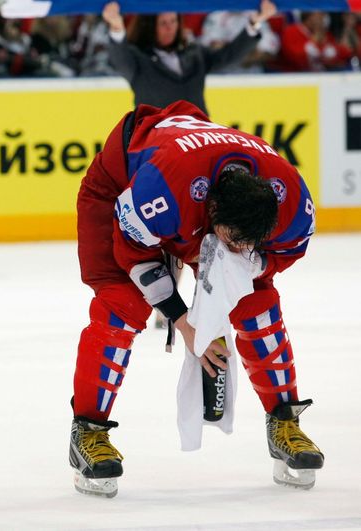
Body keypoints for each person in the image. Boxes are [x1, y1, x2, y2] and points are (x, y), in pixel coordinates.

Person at [69, 100, 323, 497]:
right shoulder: (163, 191)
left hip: (188, 193)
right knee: (123, 306)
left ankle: (285, 421)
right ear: (213, 210)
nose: (241, 250)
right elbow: (132, 250)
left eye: (249, 244)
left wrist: (233, 276)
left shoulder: (289, 198)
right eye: (233, 241)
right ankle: (87, 431)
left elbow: (285, 252)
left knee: (256, 303)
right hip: (122, 190)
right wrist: (182, 319)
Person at [101, 0, 277, 114]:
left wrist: (255, 22)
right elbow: (119, 57)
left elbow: (228, 57)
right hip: (157, 143)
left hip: (198, 139)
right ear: (149, 26)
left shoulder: (195, 54)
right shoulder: (138, 60)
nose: (170, 27)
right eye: (163, 23)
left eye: (173, 21)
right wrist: (116, 26)